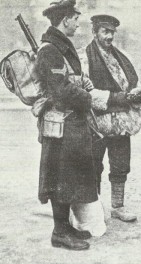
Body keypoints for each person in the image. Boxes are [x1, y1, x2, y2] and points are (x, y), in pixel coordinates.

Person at [35, 0, 98, 250]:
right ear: (65, 20)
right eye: (75, 18)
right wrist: (87, 97)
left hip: (70, 122)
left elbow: (67, 80)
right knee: (60, 176)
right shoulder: (50, 49)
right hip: (61, 123)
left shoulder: (59, 47)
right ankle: (59, 231)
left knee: (68, 176)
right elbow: (59, 89)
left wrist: (82, 84)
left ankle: (65, 227)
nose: (78, 22)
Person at [85, 15, 141, 222]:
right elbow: (86, 92)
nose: (109, 36)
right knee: (94, 164)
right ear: (95, 32)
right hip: (97, 121)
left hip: (121, 121)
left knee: (120, 163)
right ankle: (93, 209)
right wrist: (118, 97)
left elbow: (132, 81)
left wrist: (135, 93)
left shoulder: (121, 56)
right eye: (105, 32)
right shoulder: (85, 57)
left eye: (112, 32)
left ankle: (118, 207)